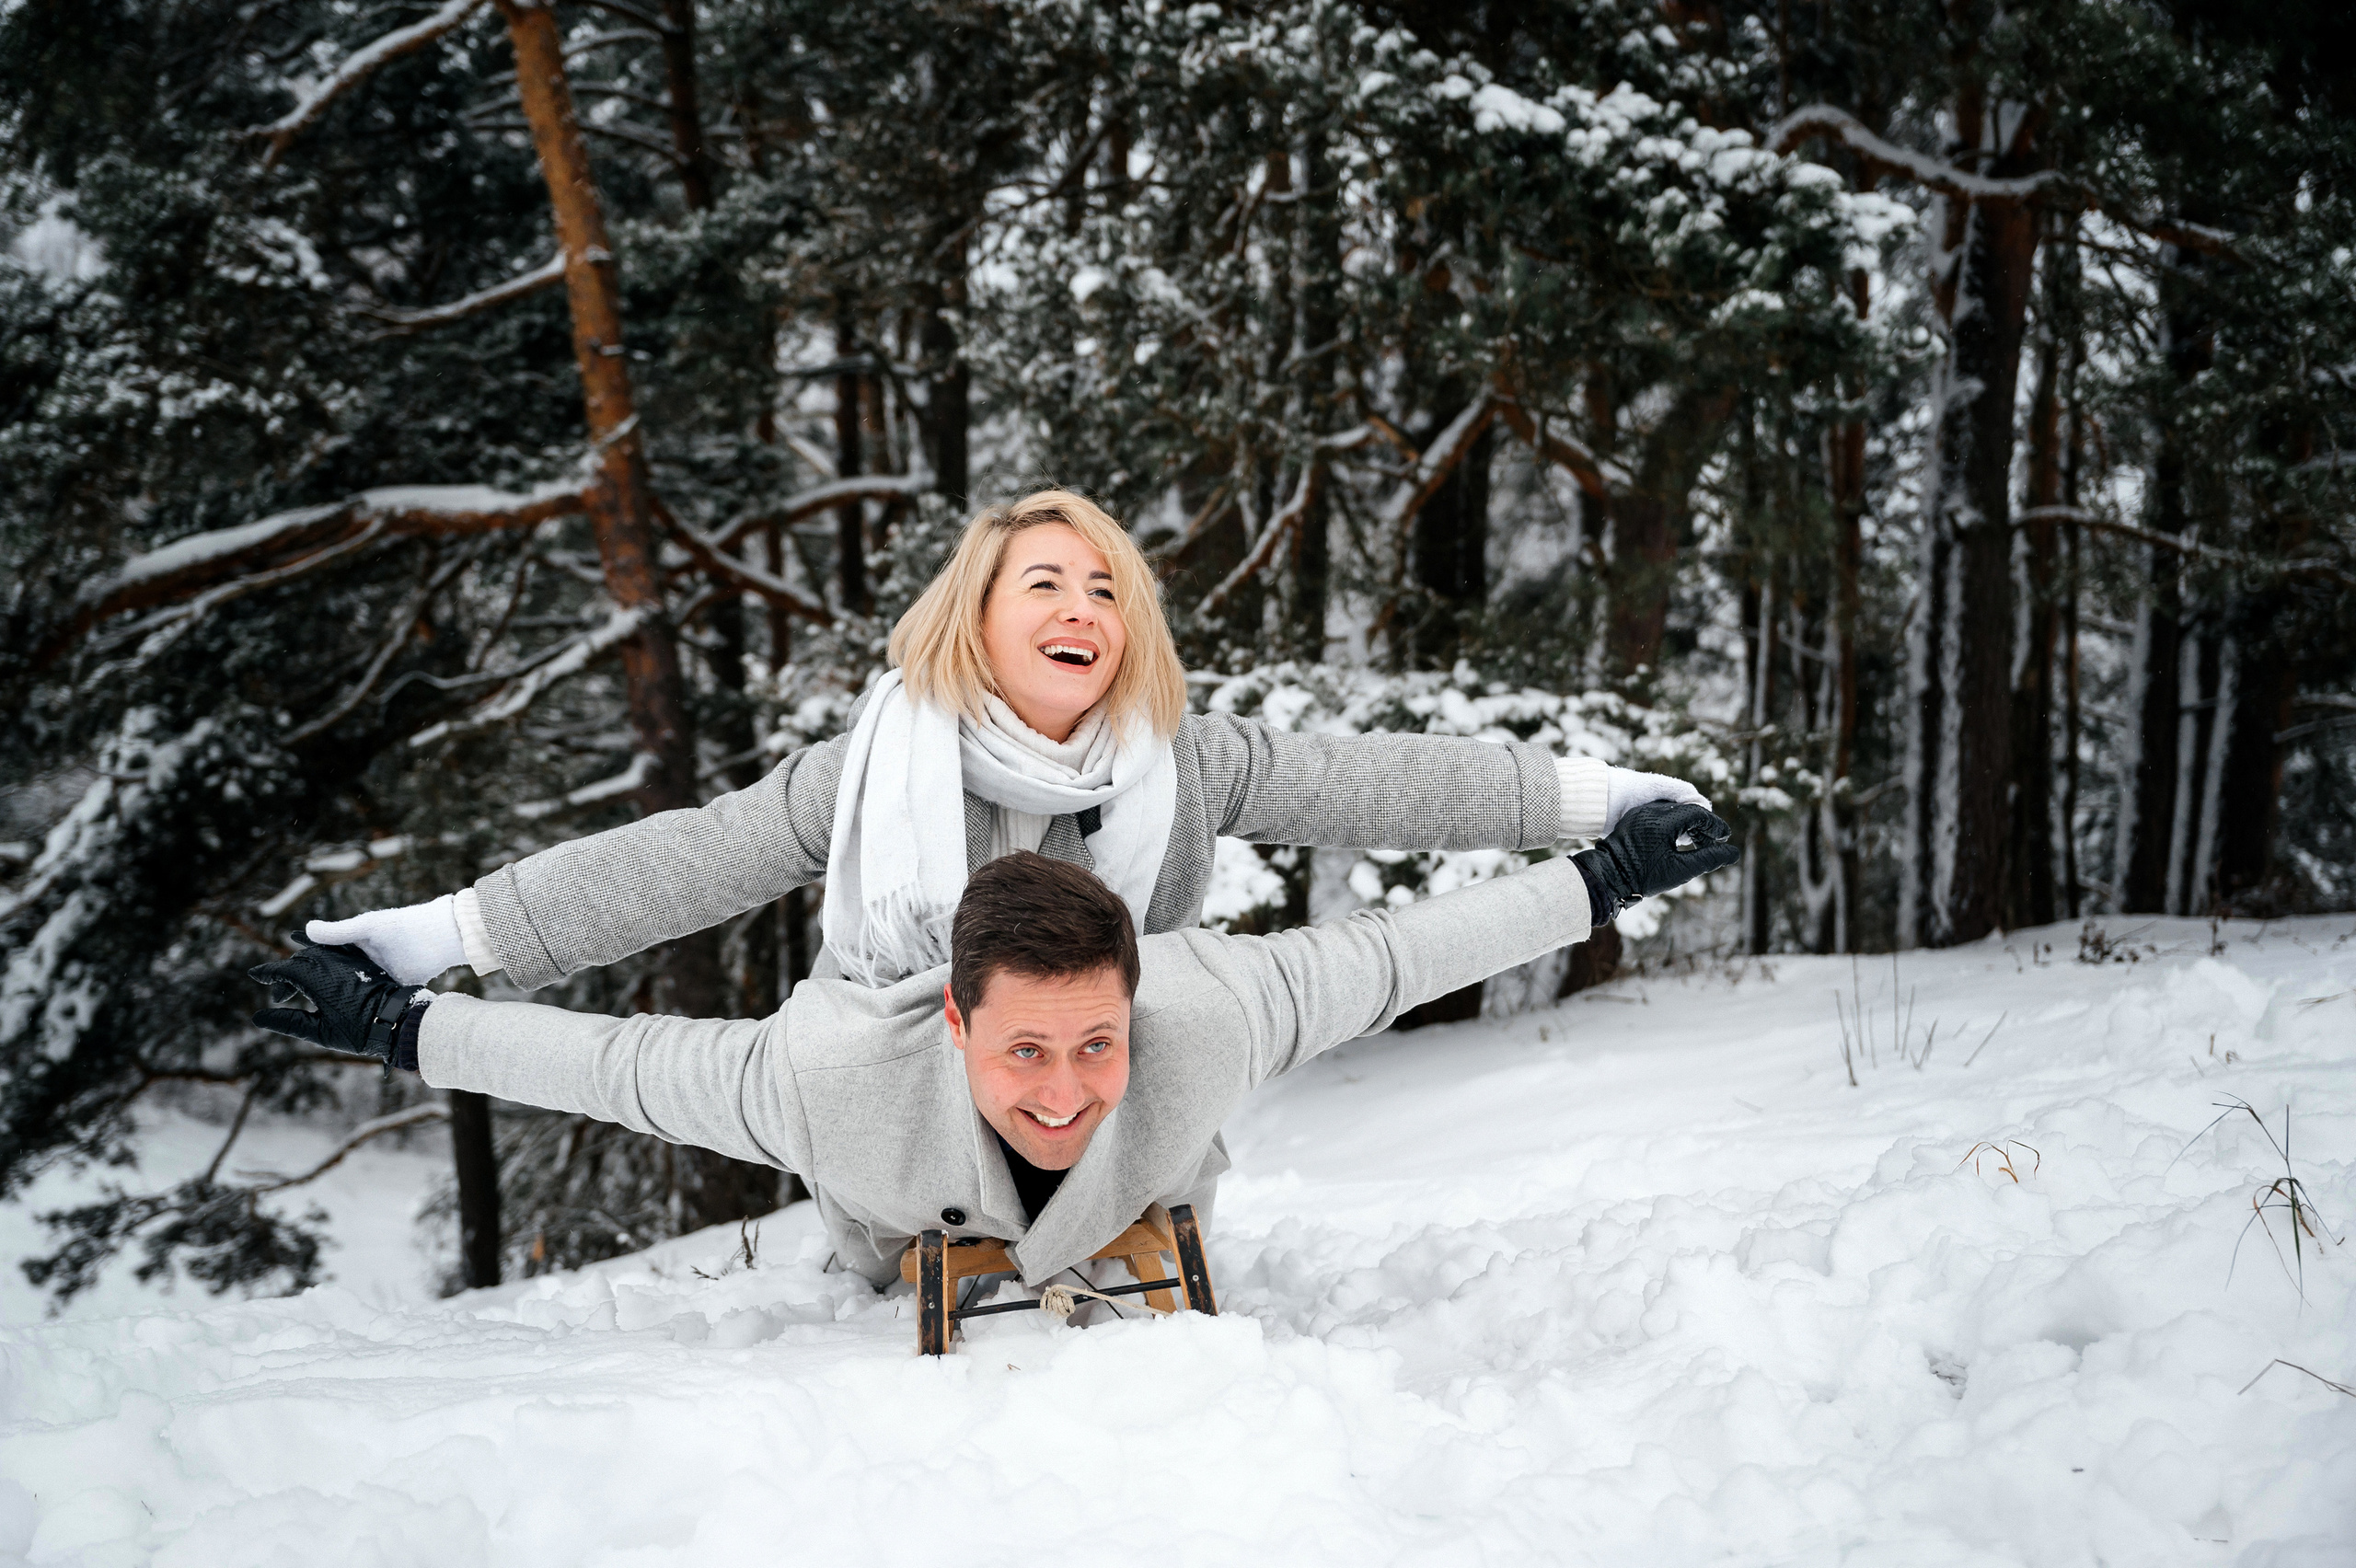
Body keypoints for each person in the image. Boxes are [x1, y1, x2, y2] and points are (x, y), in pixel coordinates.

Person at [253, 801, 1738, 1287]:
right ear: (955, 1020)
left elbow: (1405, 953)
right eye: (1025, 1051)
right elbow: (626, 1068)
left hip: (1142, 1249)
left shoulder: (1205, 1017)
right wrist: (406, 1024)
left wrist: (1597, 880)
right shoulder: (833, 1079)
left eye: (1095, 1044)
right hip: (905, 1239)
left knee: (1129, 1189)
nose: (1067, 1088)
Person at [305, 490, 1710, 996]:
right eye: (1045, 580)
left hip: (1113, 1110)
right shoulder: (866, 775)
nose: (1083, 606)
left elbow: (1384, 779)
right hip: (912, 1108)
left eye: (1107, 588)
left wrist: (1598, 800)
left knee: (1204, 991)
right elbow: (680, 862)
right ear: (975, 618)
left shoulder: (1190, 758)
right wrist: (449, 938)